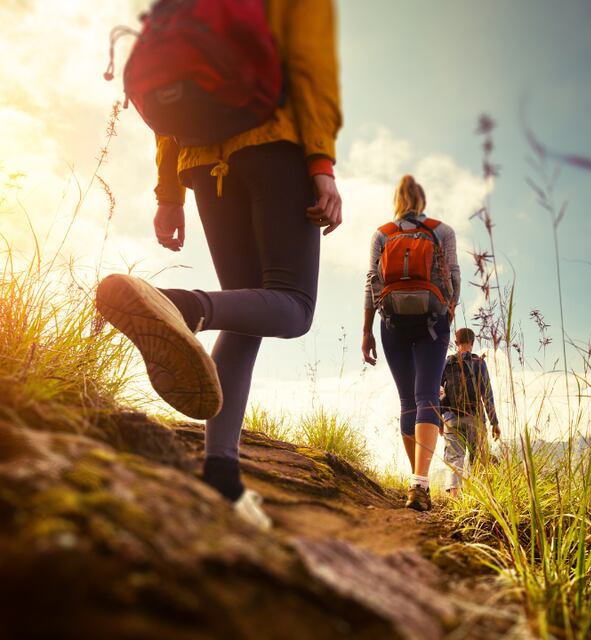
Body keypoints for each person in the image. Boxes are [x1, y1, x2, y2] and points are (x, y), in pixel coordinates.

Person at [95, 1, 342, 530]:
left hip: (203, 162)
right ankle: (182, 307)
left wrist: (169, 194)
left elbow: (172, 98)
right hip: (274, 144)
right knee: (293, 307)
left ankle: (222, 477)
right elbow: (310, 66)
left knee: (246, 310)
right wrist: (321, 165)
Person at [362, 175, 460, 512]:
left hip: (392, 324)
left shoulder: (382, 234)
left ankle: (417, 481)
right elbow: (455, 277)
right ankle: (420, 480)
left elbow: (371, 283)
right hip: (432, 322)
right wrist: (447, 313)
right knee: (427, 397)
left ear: (397, 201)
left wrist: (367, 331)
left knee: (407, 401)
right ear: (422, 200)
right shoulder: (441, 231)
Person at [441, 327, 500, 497]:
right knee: (479, 458)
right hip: (475, 418)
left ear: (456, 342)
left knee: (454, 457)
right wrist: (494, 422)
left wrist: (439, 421)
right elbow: (486, 393)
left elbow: (438, 392)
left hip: (451, 418)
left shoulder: (446, 363)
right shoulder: (478, 362)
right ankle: (478, 498)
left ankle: (455, 498)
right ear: (472, 343)